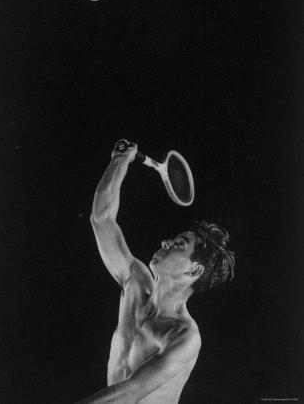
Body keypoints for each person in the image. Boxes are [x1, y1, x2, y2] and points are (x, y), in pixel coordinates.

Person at [77, 140, 235, 404]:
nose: (166, 242)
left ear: (194, 268)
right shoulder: (135, 284)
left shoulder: (183, 335)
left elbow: (130, 392)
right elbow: (102, 220)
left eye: (179, 244)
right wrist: (119, 161)